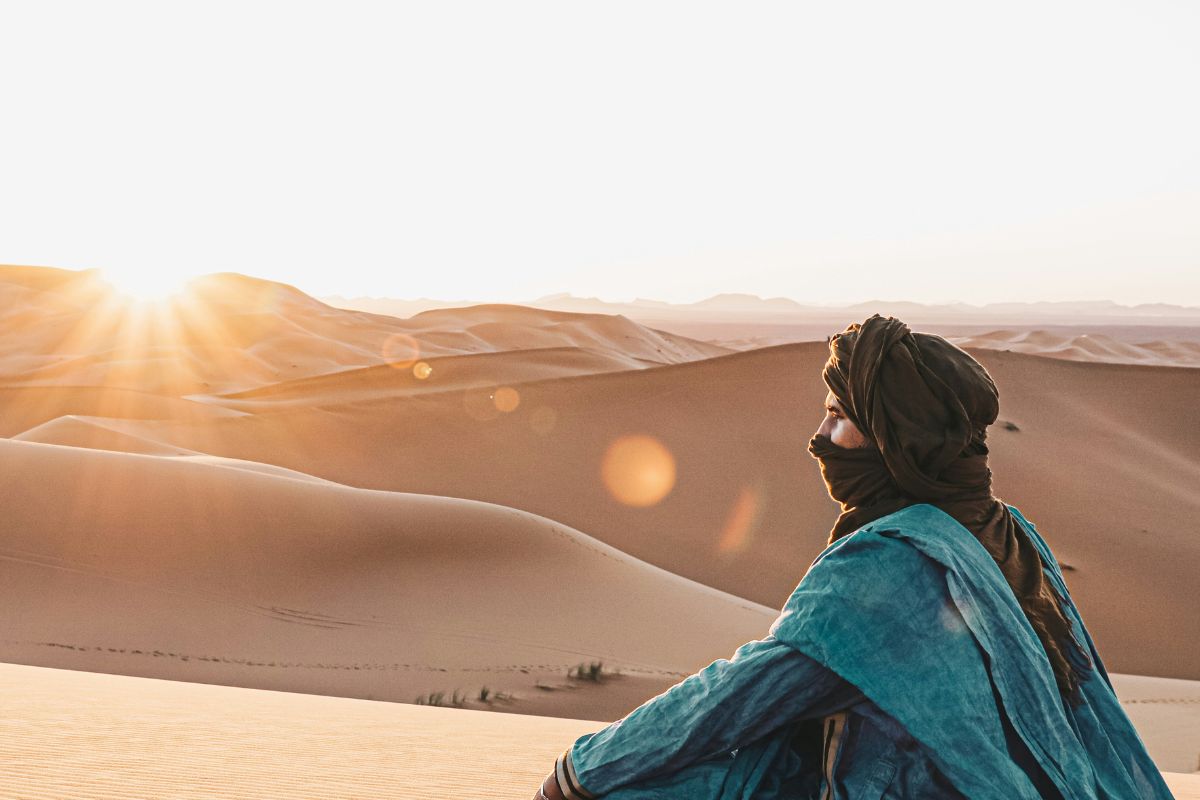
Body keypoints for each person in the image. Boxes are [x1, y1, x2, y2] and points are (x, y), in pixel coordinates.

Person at [532, 314, 1174, 800]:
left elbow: (739, 697)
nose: (820, 440)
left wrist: (580, 772)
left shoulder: (890, 562)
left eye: (841, 418)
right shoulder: (1010, 532)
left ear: (898, 440)